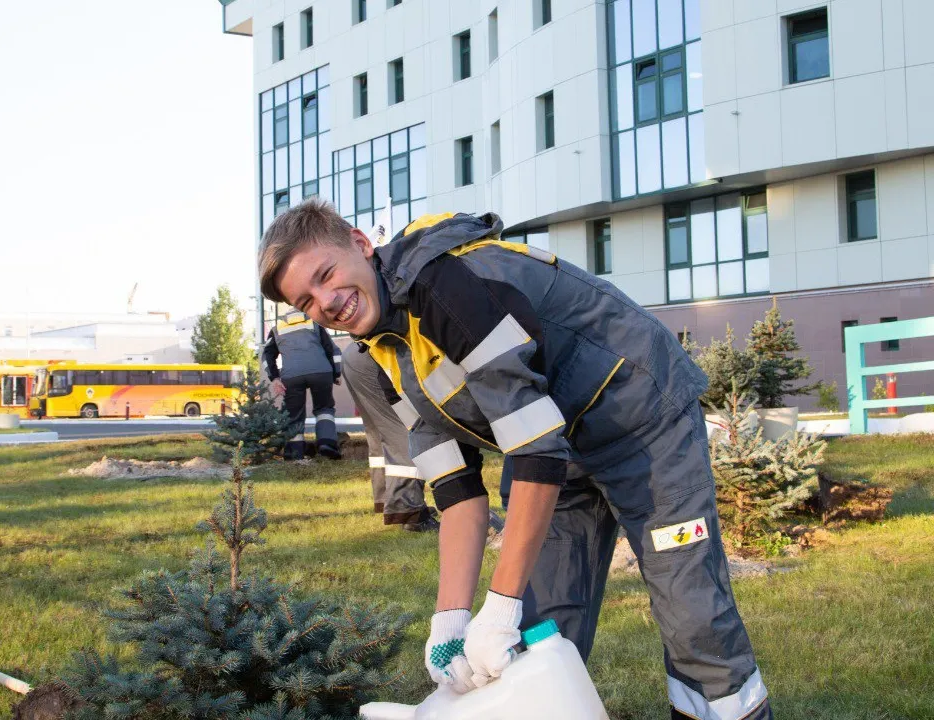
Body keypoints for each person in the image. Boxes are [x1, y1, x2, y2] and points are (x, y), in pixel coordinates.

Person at [258, 200, 771, 720]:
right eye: (306, 301)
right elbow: (456, 491)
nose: (327, 301)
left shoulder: (448, 289)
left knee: (690, 607)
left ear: (360, 244)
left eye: (326, 275)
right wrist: (451, 620)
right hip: (558, 453)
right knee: (535, 627)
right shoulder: (380, 357)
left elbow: (534, 449)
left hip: (644, 424)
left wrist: (496, 605)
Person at [341, 344, 437, 531]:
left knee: (378, 433)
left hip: (355, 355)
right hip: (376, 358)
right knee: (405, 432)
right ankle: (410, 513)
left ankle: (386, 500)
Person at [262, 310, 343, 460]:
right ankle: (327, 444)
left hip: (292, 376)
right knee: (324, 408)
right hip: (321, 372)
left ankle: (294, 453)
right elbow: (332, 350)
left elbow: (267, 356)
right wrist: (336, 373)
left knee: (294, 413)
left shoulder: (277, 328)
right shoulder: (314, 323)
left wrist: (275, 378)